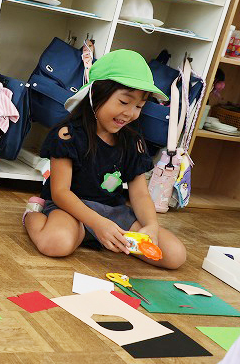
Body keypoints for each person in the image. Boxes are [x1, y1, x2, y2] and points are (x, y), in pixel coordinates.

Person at [23, 50, 186, 269]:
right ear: (96, 93)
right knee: (56, 244)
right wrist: (97, 223)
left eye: (139, 106)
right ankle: (32, 214)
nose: (130, 113)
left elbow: (139, 193)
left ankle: (97, 235)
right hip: (71, 210)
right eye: (124, 101)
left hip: (114, 214)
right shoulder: (68, 134)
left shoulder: (133, 141)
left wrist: (151, 226)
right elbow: (60, 192)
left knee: (174, 255)